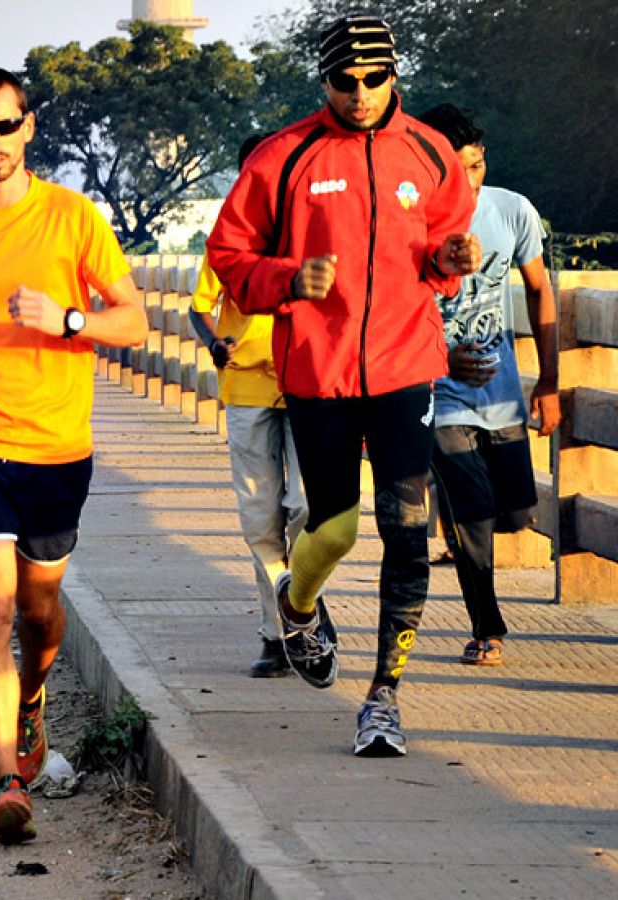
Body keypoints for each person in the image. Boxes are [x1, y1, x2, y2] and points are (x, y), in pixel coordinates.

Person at [208, 14, 481, 758]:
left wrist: (451, 258)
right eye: (344, 82)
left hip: (405, 368)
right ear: (323, 81)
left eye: (373, 80)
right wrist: (289, 279)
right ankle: (298, 606)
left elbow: (440, 252)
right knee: (335, 527)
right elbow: (230, 254)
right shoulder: (282, 158)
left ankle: (384, 698)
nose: (360, 95)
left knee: (407, 530)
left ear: (393, 76)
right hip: (318, 373)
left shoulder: (430, 154)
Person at [0, 67, 149, 845]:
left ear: (28, 127)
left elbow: (135, 322)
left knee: (41, 615)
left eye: (3, 128)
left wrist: (70, 318)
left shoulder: (74, 219)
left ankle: (34, 695)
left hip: (55, 450)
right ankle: (9, 780)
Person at [415, 102, 560, 667]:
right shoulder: (410, 223)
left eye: (475, 166)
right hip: (437, 390)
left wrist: (548, 380)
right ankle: (487, 627)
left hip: (500, 392)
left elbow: (540, 290)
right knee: (474, 510)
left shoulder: (511, 210)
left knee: (517, 513)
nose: (468, 182)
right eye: (455, 169)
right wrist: (442, 357)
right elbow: (387, 313)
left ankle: (451, 504)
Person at [189, 132, 305, 679]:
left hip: (308, 380)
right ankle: (276, 635)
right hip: (246, 386)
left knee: (308, 508)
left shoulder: (313, 224)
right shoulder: (228, 237)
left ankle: (304, 609)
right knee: (261, 516)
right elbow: (200, 305)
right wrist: (214, 341)